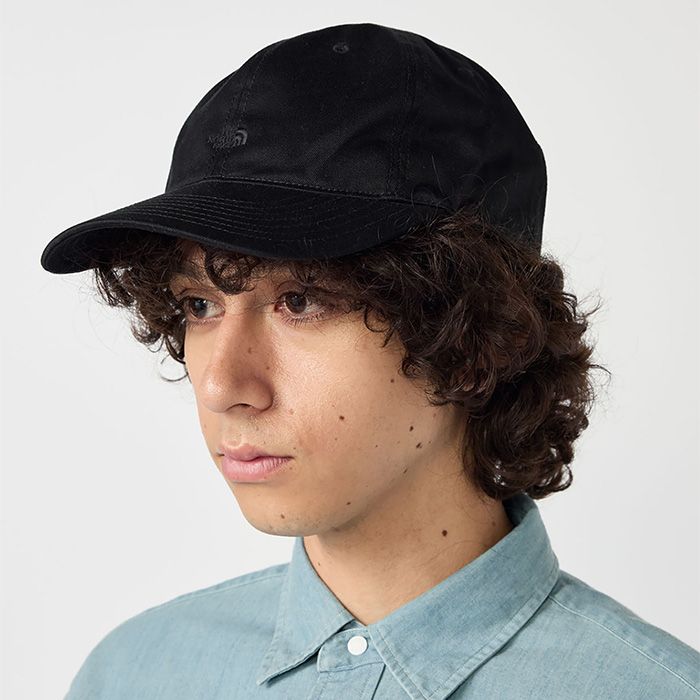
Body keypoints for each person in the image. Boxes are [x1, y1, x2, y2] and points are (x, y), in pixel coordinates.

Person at [41, 22, 699, 700]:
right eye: (200, 305)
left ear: (474, 335)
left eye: (300, 301)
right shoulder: (133, 676)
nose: (220, 385)